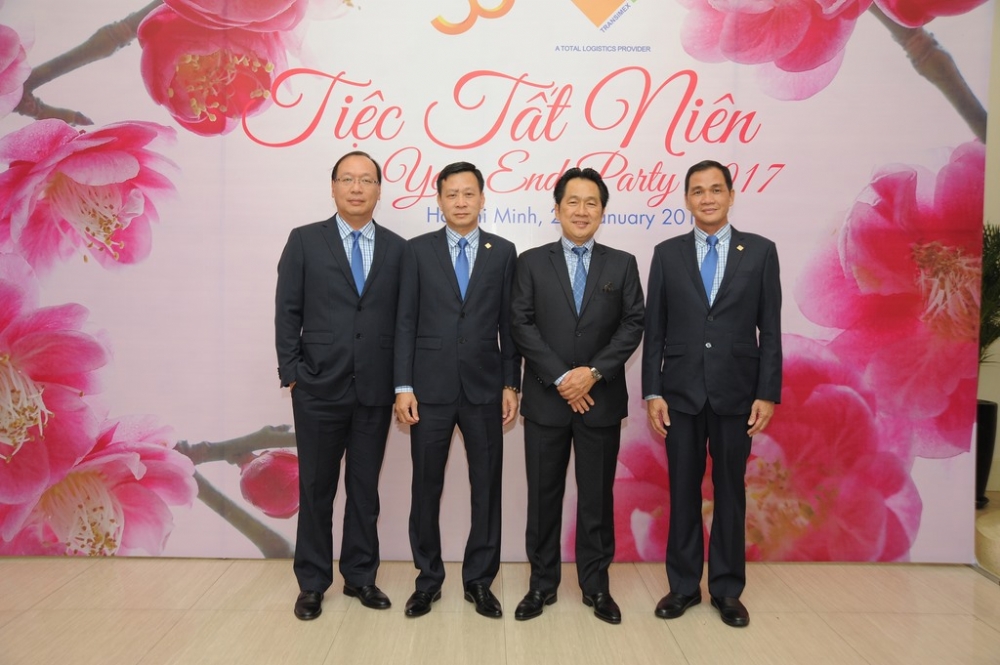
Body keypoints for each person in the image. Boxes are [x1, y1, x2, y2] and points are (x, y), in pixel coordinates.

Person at [642, 159, 782, 628]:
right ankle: (683, 587)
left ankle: (726, 590)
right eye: (698, 191)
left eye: (716, 189)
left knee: (730, 492)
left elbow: (770, 330)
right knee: (682, 491)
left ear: (731, 196)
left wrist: (767, 392)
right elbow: (655, 330)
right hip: (680, 394)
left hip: (737, 393)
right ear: (686, 199)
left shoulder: (760, 252)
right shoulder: (667, 253)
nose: (707, 198)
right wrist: (652, 391)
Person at [509, 167, 644, 625]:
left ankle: (596, 585)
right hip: (547, 400)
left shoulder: (622, 263)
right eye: (573, 201)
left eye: (591, 203)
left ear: (602, 211)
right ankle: (541, 585)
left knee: (596, 500)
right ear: (558, 208)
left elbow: (633, 324)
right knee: (543, 498)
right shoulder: (530, 262)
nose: (582, 211)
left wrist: (593, 374)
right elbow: (521, 324)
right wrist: (563, 377)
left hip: (599, 401)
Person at [275, 151, 405, 621]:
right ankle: (312, 583)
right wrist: (292, 371)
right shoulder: (305, 240)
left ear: (378, 190)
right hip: (317, 388)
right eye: (347, 179)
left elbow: (404, 320)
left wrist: (401, 383)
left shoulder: (397, 249)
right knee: (316, 489)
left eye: (366, 180)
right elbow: (287, 309)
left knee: (364, 490)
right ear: (332, 187)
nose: (356, 188)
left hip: (375, 389)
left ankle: (360, 577)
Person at [394, 161, 521, 619]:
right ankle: (427, 580)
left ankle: (479, 581)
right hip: (428, 389)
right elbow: (405, 321)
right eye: (452, 194)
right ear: (440, 200)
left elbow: (509, 325)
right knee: (425, 487)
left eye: (469, 194)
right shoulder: (416, 251)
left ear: (483, 199)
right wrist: (403, 385)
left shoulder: (503, 251)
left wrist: (511, 382)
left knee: (486, 487)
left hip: (485, 388)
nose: (461, 202)